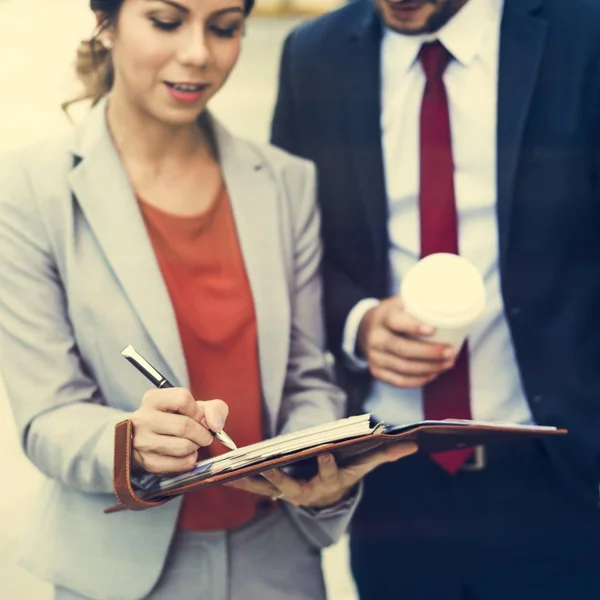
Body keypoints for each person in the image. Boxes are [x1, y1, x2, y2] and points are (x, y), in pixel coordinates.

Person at [0, 1, 417, 599]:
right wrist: (131, 444)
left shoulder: (284, 182)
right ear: (106, 20)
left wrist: (315, 460)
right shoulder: (26, 190)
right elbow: (47, 416)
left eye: (224, 28)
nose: (198, 52)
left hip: (278, 561)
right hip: (119, 571)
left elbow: (307, 375)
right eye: (167, 22)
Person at [270, 0, 600, 598]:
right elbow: (294, 248)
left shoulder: (585, 33)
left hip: (561, 477)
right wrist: (358, 323)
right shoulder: (312, 55)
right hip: (390, 480)